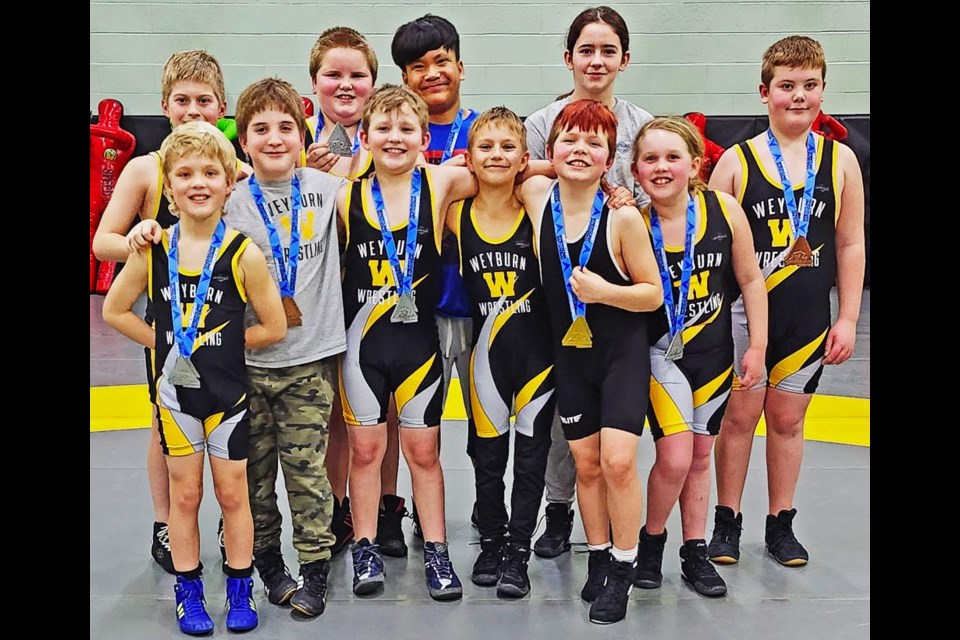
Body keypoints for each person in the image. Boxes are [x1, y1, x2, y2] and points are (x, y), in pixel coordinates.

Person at [103, 120, 287, 634]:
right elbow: (115, 311)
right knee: (185, 497)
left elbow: (273, 326)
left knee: (234, 496)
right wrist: (165, 343)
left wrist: (225, 345)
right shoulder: (153, 249)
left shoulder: (242, 252)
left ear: (230, 181)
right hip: (176, 397)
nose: (198, 182)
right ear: (169, 185)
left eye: (210, 171)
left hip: (228, 398)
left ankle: (239, 585)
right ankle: (188, 589)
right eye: (184, 173)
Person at [707, 35, 865, 567]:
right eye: (787, 86)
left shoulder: (841, 161)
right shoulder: (735, 161)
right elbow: (707, 244)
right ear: (764, 92)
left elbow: (850, 241)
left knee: (789, 421)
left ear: (823, 90)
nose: (799, 96)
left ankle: (781, 523)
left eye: (810, 86)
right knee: (738, 418)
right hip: (741, 319)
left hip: (806, 319)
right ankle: (726, 523)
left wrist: (847, 316)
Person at [517, 99, 662, 624]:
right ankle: (599, 556)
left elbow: (652, 294)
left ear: (610, 159)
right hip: (570, 356)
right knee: (586, 464)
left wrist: (604, 292)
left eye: (594, 143)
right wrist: (545, 162)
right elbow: (513, 165)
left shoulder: (623, 217)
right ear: (551, 149)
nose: (580, 150)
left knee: (619, 462)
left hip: (620, 356)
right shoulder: (537, 196)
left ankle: (624, 567)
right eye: (569, 140)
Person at [335, 84, 480, 600]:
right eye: (383, 128)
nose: (394, 138)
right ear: (365, 137)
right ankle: (366, 545)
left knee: (424, 452)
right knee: (367, 450)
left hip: (420, 346)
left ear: (425, 137)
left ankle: (437, 551)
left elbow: (510, 169)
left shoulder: (438, 183)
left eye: (406, 129)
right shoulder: (343, 193)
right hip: (362, 351)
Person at [92, 49, 234, 575]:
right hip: (170, 316)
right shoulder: (145, 169)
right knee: (164, 424)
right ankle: (163, 521)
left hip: (225, 317)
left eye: (204, 100)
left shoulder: (232, 165)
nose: (192, 110)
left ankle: (227, 518)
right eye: (182, 100)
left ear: (222, 107)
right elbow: (102, 241)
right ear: (164, 105)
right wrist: (137, 240)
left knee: (228, 424)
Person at [523, 6, 655, 558]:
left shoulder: (641, 122)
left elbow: (658, 184)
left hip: (622, 270)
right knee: (570, 434)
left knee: (617, 450)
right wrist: (569, 171)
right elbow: (520, 171)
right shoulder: (540, 124)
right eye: (586, 50)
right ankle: (560, 511)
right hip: (560, 279)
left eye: (608, 51)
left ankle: (635, 548)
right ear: (569, 57)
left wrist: (618, 201)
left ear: (624, 59)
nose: (596, 61)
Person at [629, 116, 767, 598]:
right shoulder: (632, 221)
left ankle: (695, 550)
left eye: (672, 157)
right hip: (658, 355)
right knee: (675, 456)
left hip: (712, 352)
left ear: (696, 163)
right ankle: (650, 542)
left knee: (701, 455)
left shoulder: (724, 209)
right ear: (635, 168)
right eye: (650, 158)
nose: (662, 167)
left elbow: (750, 279)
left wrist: (758, 347)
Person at [447, 107, 555, 598]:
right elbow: (429, 179)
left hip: (538, 355)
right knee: (487, 457)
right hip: (484, 358)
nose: (496, 155)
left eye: (507, 147)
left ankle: (518, 552)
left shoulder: (539, 206)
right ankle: (490, 542)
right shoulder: (456, 212)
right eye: (485, 147)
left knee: (532, 458)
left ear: (524, 157)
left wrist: (539, 173)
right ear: (469, 157)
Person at [301, 24, 382, 557]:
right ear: (314, 81)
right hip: (312, 302)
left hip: (375, 297)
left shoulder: (389, 142)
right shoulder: (291, 142)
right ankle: (329, 510)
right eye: (334, 75)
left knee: (374, 415)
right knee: (325, 414)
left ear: (375, 83)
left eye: (358, 75)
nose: (346, 85)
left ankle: (378, 509)